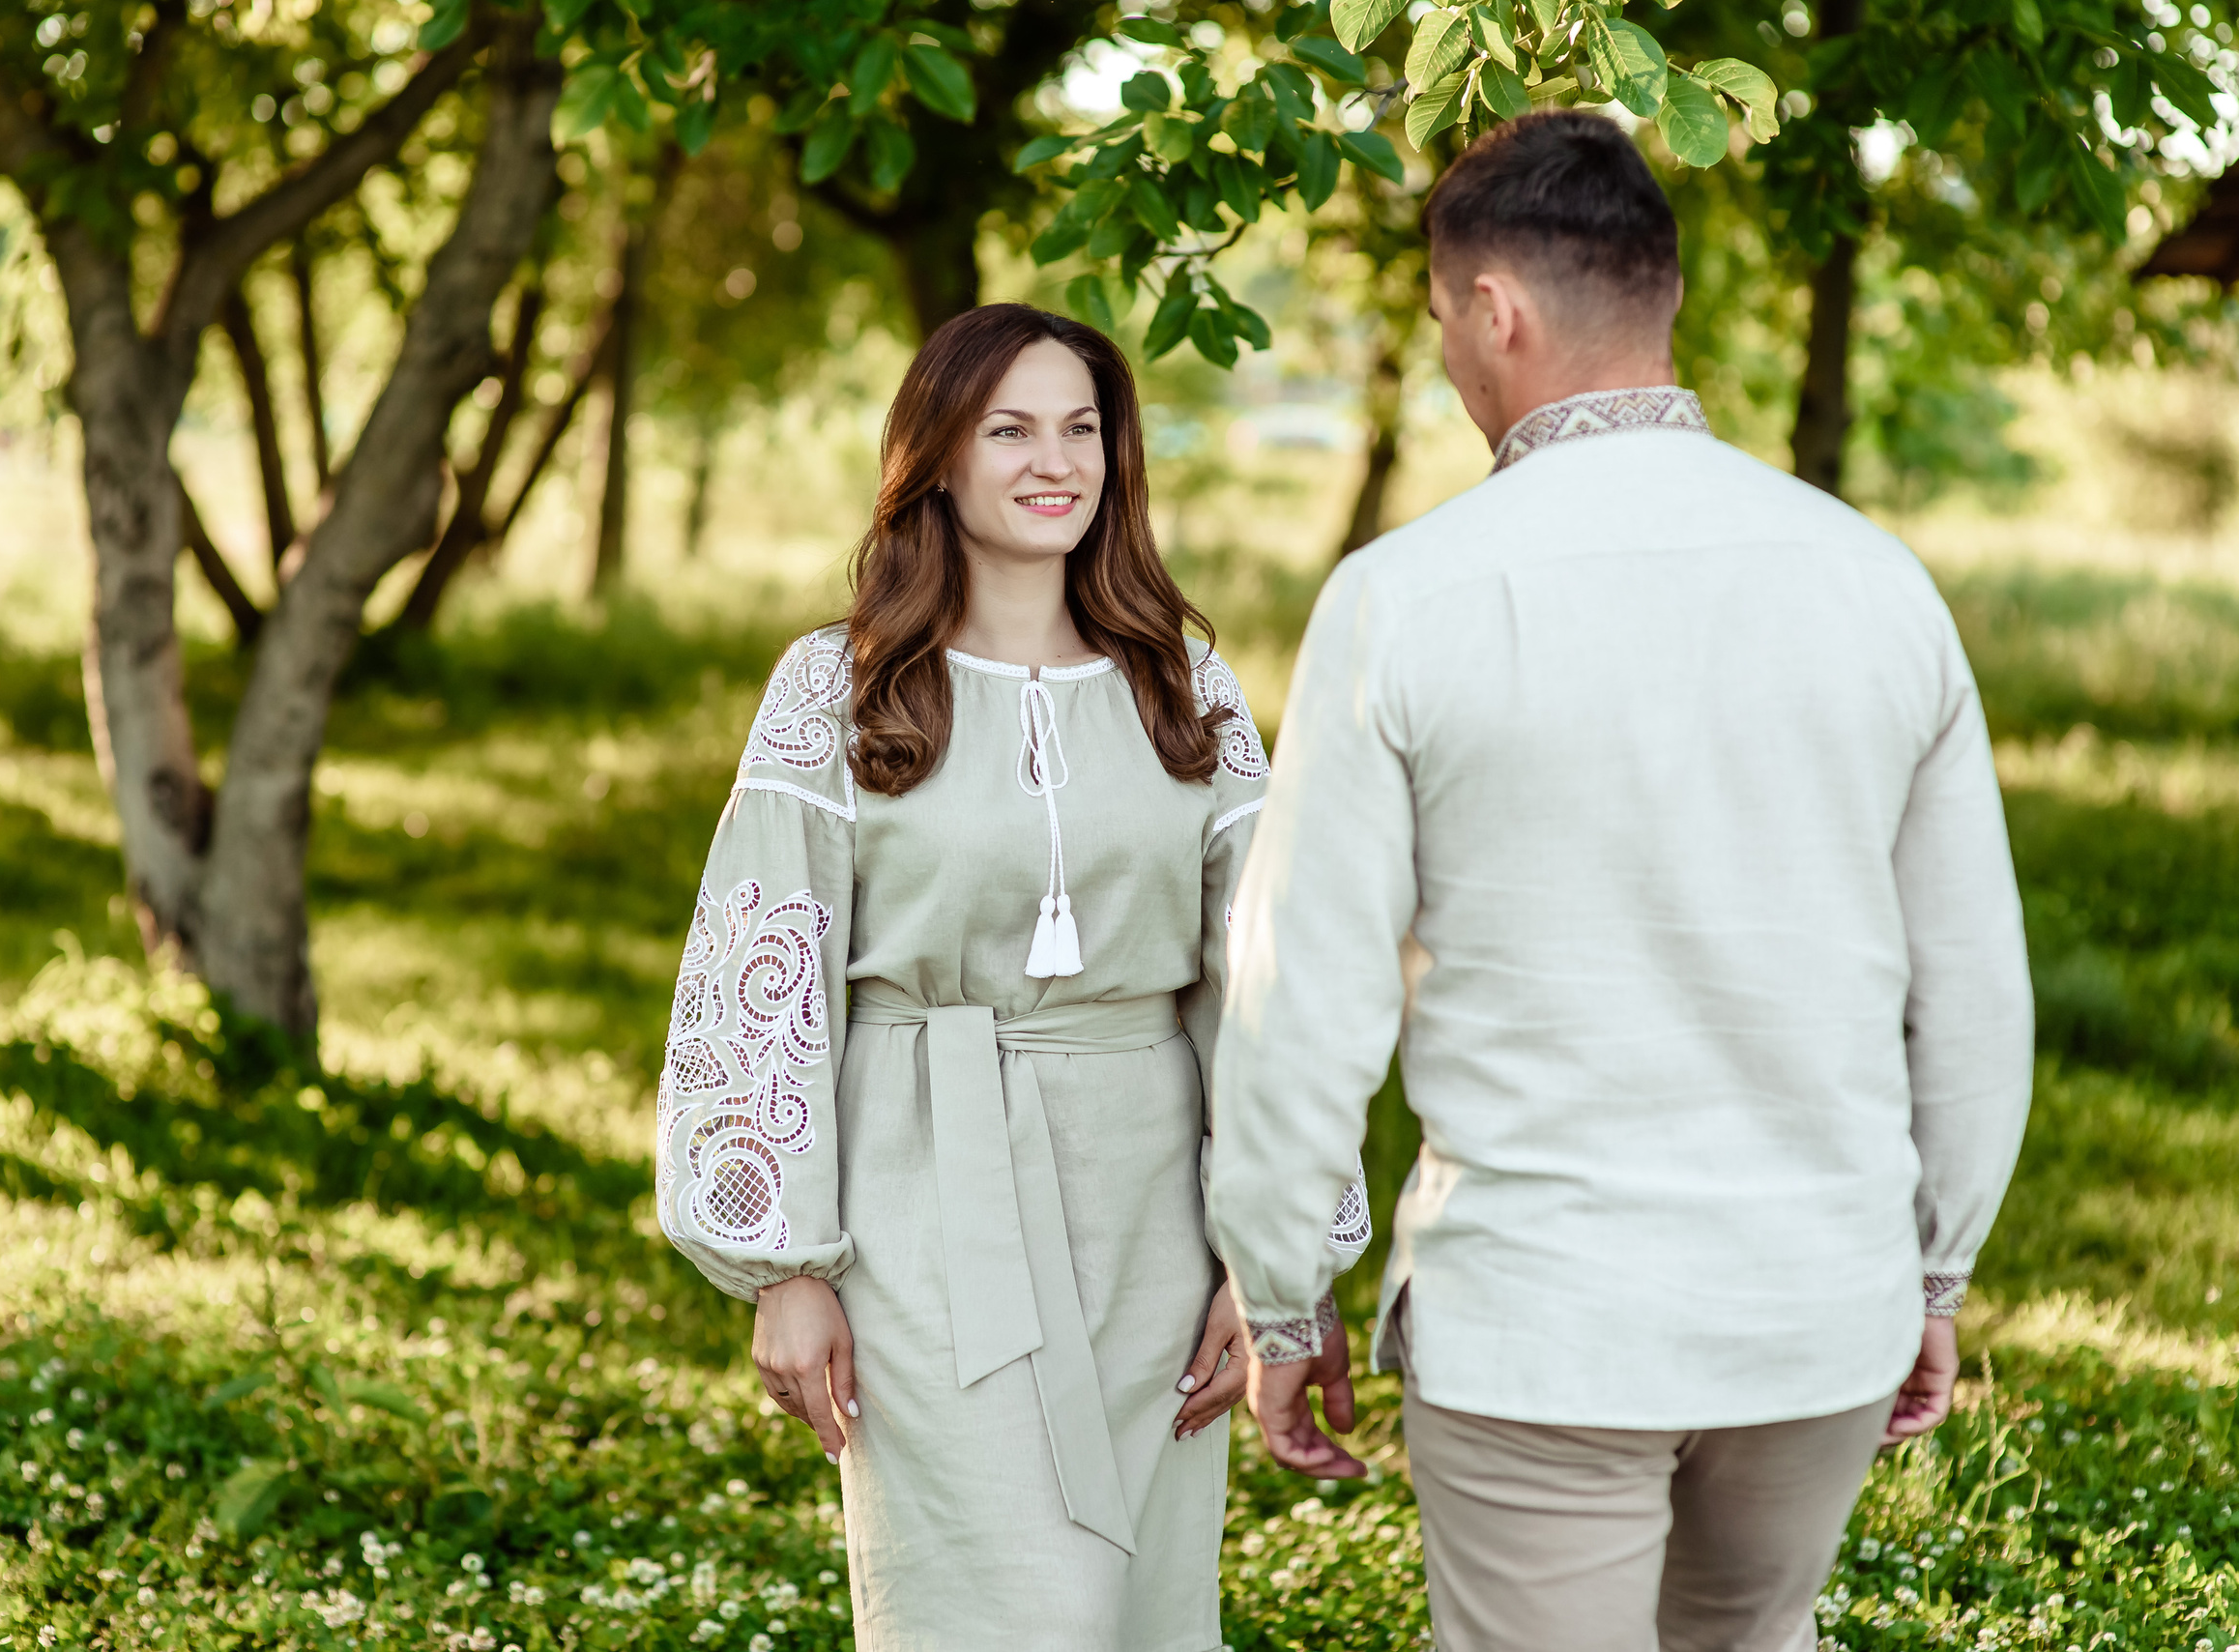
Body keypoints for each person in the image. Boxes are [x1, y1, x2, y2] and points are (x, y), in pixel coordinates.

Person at [1206, 110, 2035, 1651]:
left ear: (1496, 309)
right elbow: (1975, 981)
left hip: (1542, 1322)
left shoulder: (1401, 600)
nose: (1451, 353)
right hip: (1815, 1302)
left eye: (1447, 318)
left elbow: (1302, 991)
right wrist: (1935, 1264)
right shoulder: (1877, 582)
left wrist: (1280, 1292)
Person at [654, 302, 1371, 1651]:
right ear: (937, 458)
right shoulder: (842, 686)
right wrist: (783, 1267)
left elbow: (1269, 985)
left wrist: (1265, 1261)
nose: (1057, 462)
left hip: (1151, 1218)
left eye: (1083, 429)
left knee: (1144, 1606)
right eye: (1012, 429)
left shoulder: (1186, 687)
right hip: (926, 1207)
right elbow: (760, 964)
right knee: (993, 1609)